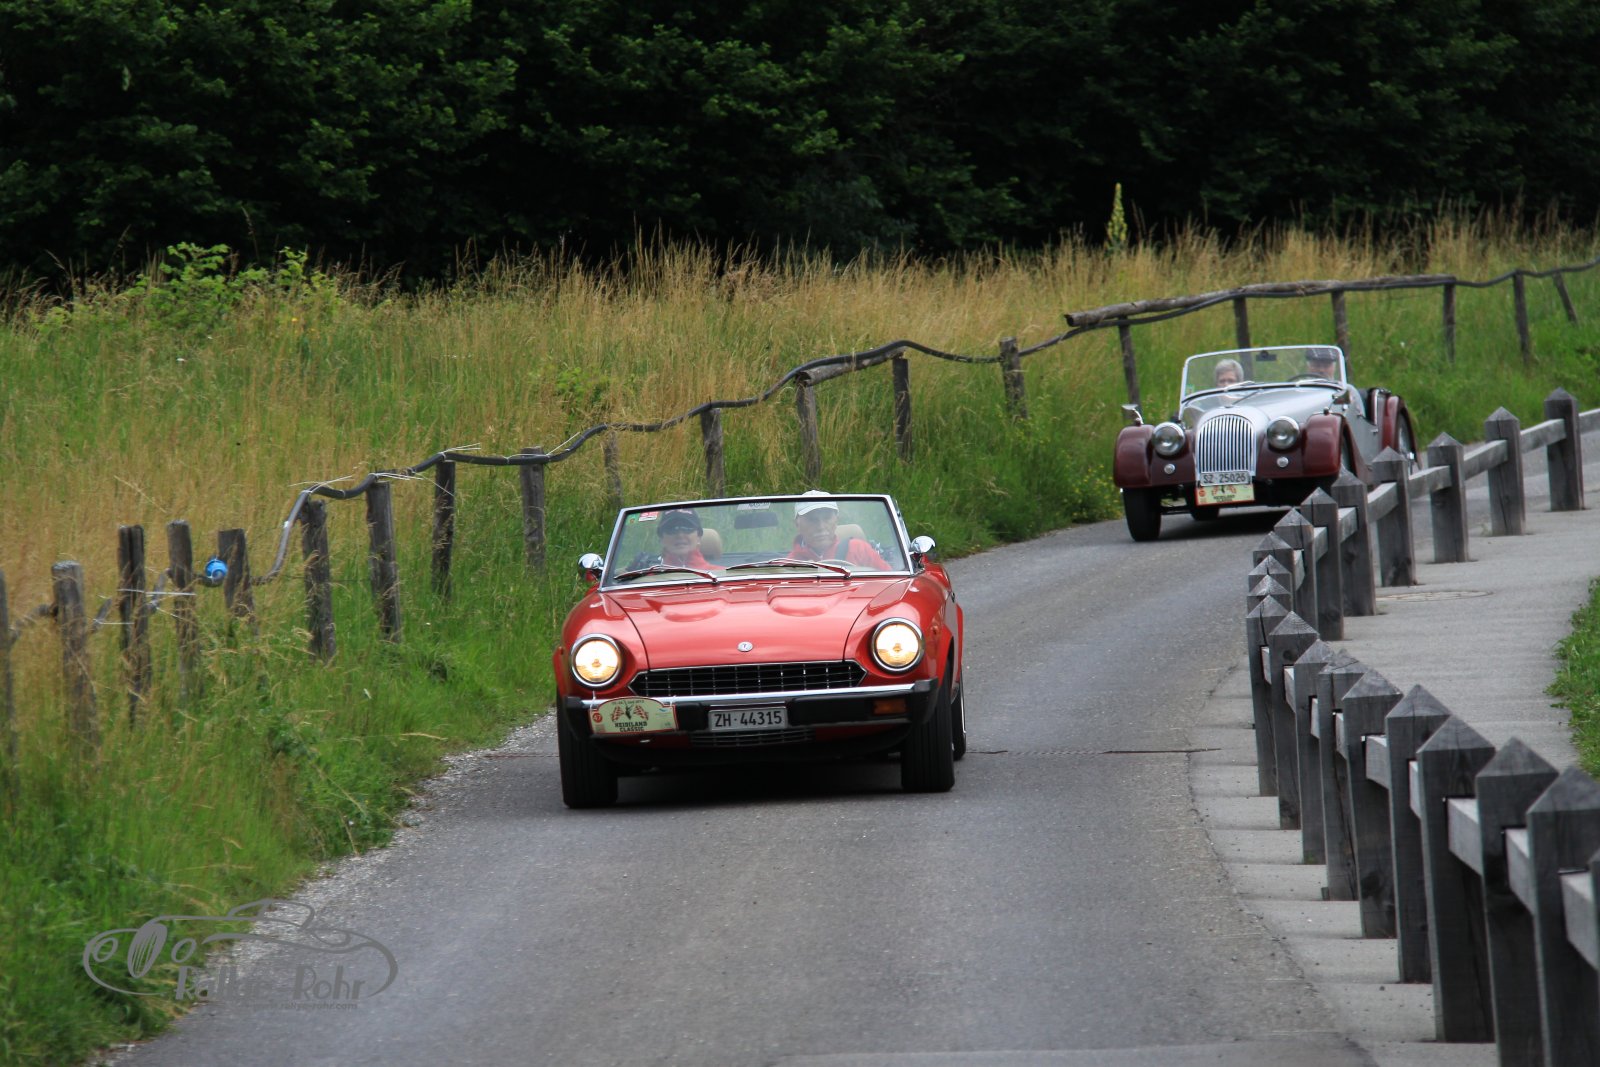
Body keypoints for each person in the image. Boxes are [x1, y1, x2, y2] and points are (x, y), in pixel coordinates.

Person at [788, 491, 891, 568]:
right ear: (797, 524)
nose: (821, 526)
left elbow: (891, 584)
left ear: (836, 520)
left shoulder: (859, 549)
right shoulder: (789, 565)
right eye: (812, 519)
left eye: (827, 518)